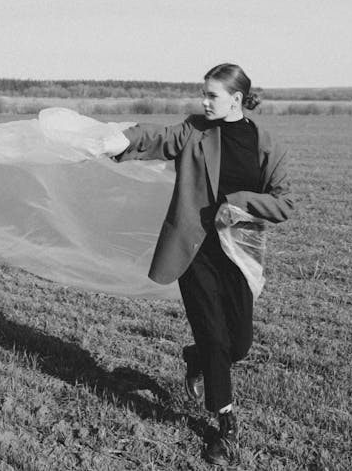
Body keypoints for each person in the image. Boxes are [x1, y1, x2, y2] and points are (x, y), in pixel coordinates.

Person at [113, 63, 293, 466]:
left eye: (212, 95)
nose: (203, 101)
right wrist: (115, 138)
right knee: (214, 335)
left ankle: (196, 359)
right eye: (203, 94)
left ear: (236, 98)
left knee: (239, 343)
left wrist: (241, 202)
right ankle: (224, 425)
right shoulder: (195, 130)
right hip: (194, 249)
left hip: (240, 251)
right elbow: (155, 137)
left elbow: (284, 203)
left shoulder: (268, 144)